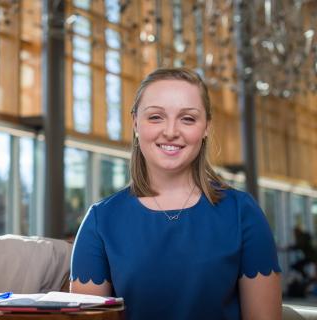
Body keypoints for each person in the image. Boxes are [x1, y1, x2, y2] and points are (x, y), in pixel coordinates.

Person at [70, 68, 282, 320]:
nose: (171, 131)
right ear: (135, 123)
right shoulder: (100, 220)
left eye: (188, 119)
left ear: (206, 128)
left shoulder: (242, 213)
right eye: (156, 117)